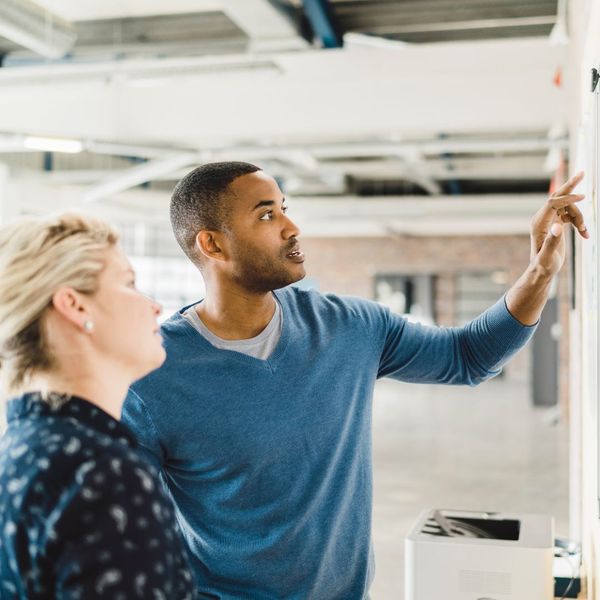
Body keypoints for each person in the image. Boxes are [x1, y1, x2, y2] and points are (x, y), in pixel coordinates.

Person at [122, 162, 587, 599]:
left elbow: (467, 357)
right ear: (213, 245)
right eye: (266, 215)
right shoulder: (149, 374)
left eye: (285, 208)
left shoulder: (349, 327)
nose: (291, 227)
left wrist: (540, 273)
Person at [0, 214, 196, 599]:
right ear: (75, 305)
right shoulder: (103, 474)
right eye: (129, 283)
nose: (154, 306)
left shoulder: (23, 451)